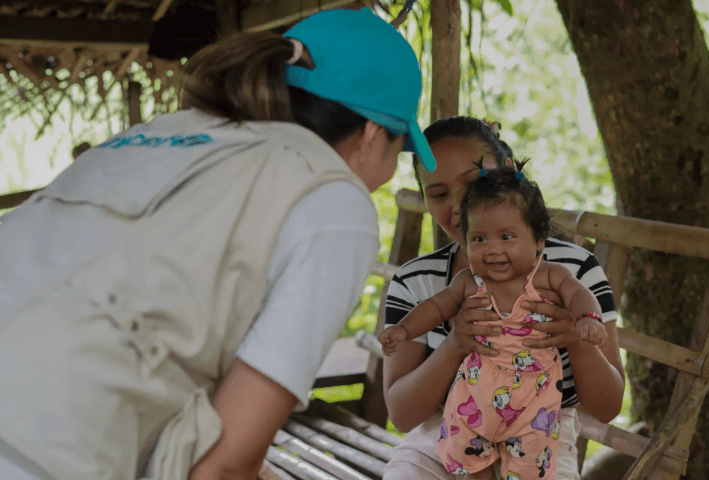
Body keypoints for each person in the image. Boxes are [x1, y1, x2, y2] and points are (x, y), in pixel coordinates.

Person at [0, 9, 435, 480]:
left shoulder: (158, 134)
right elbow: (222, 467)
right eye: (398, 149)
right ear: (372, 135)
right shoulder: (334, 199)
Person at [382, 116, 625, 480]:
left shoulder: (571, 272)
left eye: (473, 182)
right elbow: (401, 416)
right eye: (438, 194)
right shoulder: (417, 281)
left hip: (543, 429)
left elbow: (607, 407)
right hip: (448, 429)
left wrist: (577, 337)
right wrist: (454, 344)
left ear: (509, 173)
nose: (458, 204)